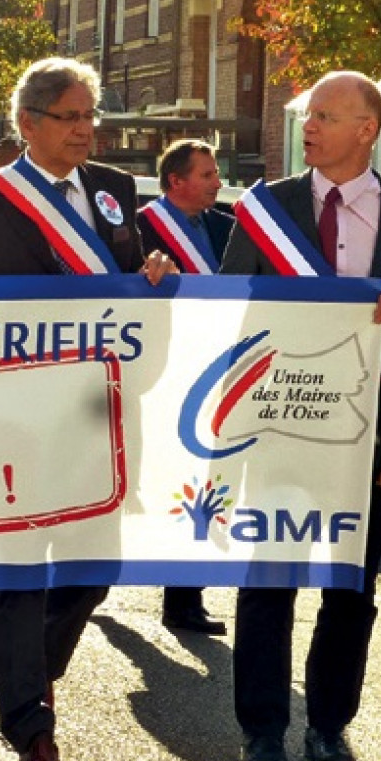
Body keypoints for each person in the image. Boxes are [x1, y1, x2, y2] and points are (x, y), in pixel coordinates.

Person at [0, 57, 174, 761]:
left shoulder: (115, 191)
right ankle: (32, 734)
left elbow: (127, 292)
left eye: (89, 117)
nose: (85, 129)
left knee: (92, 571)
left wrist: (154, 280)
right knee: (14, 579)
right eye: (71, 117)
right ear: (28, 124)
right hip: (12, 423)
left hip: (95, 420)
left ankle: (29, 676)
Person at [223, 71, 381, 761]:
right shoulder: (265, 208)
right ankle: (264, 731)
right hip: (275, 425)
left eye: (328, 116)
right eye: (309, 114)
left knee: (350, 589)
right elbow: (232, 308)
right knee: (269, 583)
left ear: (367, 129)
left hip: (364, 436)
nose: (310, 126)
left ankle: (331, 726)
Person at [136, 138, 233, 636]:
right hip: (155, 372)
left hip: (213, 374)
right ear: (176, 181)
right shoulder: (139, 228)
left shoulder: (225, 228)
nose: (218, 182)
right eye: (208, 174)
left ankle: (184, 598)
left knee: (200, 485)